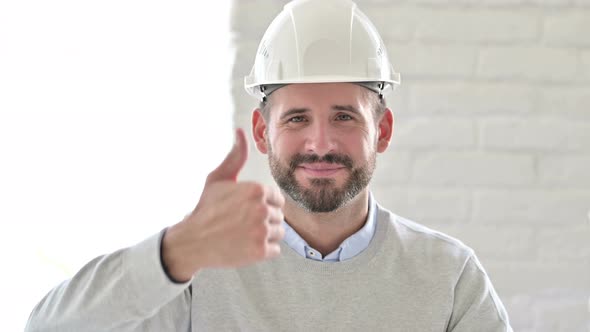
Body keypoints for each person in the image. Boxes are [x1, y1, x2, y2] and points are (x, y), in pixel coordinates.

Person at [26, 0, 513, 331]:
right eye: (297, 118)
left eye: (344, 116)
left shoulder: (449, 276)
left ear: (381, 132)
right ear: (262, 133)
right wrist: (174, 252)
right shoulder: (200, 269)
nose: (320, 143)